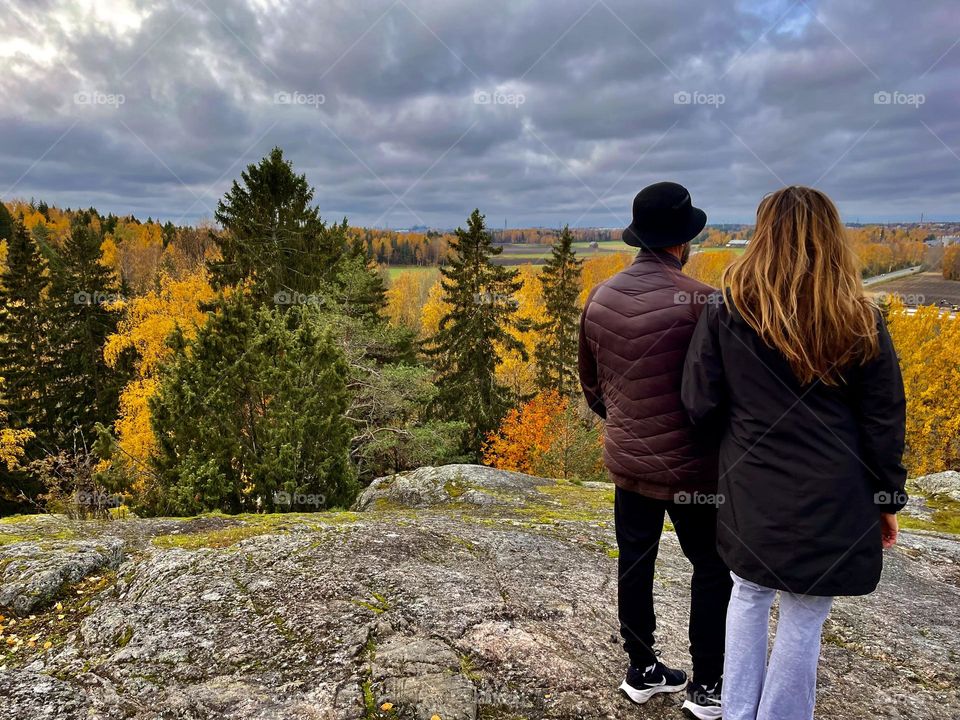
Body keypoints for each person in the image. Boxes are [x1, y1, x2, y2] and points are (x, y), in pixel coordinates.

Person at [681, 186, 907, 720]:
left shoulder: (727, 308)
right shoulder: (858, 316)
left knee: (748, 593)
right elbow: (883, 419)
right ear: (831, 239)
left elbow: (699, 401)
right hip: (836, 489)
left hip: (752, 480)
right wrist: (887, 496)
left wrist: (734, 441)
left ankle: (737, 713)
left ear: (763, 236)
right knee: (806, 613)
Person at [579, 181, 731, 719]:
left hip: (629, 466)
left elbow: (593, 388)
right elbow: (720, 396)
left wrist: (628, 426)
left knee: (635, 562)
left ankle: (641, 670)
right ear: (682, 242)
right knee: (712, 568)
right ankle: (708, 686)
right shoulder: (706, 303)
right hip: (696, 471)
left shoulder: (601, 297)